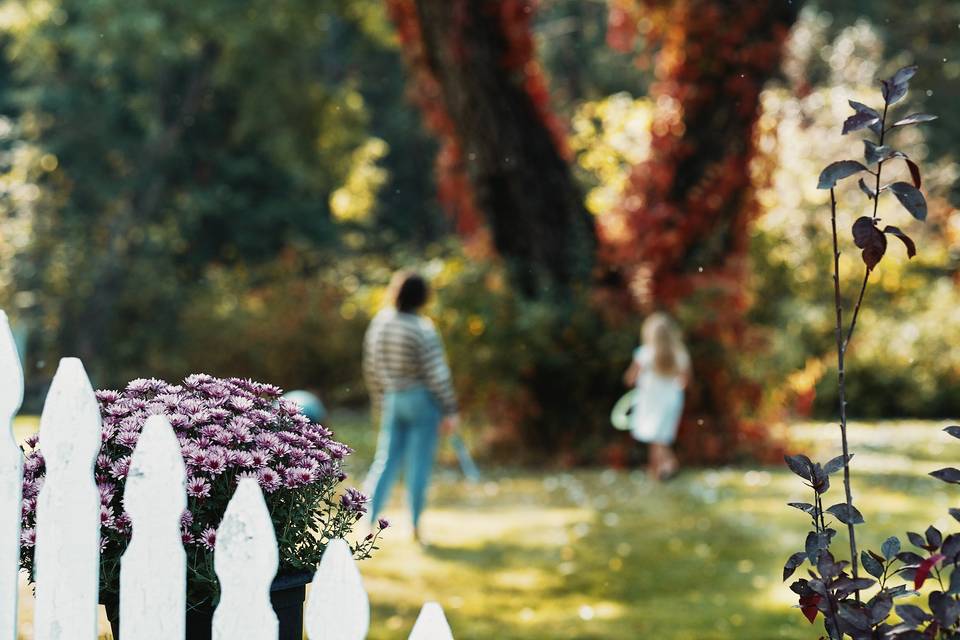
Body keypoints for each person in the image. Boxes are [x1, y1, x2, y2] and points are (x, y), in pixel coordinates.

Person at [362, 270, 459, 544]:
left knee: (385, 460)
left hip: (393, 397)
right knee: (419, 465)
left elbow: (371, 366)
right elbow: (437, 374)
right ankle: (415, 527)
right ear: (423, 296)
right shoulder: (422, 328)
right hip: (421, 401)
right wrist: (450, 410)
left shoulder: (381, 323)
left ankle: (368, 520)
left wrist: (379, 399)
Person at [622, 312, 690, 480]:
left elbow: (630, 379)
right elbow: (685, 381)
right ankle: (659, 472)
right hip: (671, 400)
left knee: (655, 438)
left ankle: (668, 464)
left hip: (651, 399)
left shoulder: (645, 353)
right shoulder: (680, 354)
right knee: (659, 438)